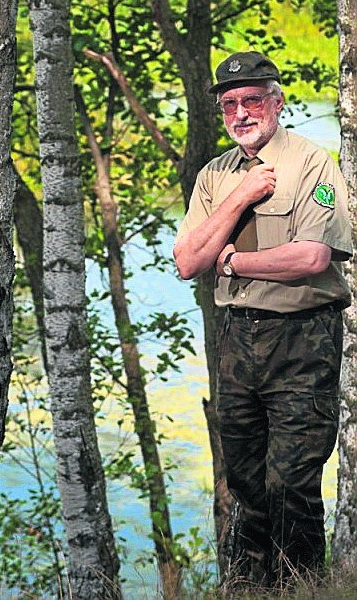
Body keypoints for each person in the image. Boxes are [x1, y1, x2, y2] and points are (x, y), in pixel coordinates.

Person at [173, 52, 352, 588]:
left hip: (301, 337)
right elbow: (185, 262)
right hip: (235, 339)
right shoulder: (216, 175)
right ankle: (250, 590)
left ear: (276, 102)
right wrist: (242, 196)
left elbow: (312, 258)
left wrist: (229, 260)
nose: (241, 112)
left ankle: (300, 588)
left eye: (252, 100)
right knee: (245, 481)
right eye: (230, 104)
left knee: (293, 483)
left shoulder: (312, 163)